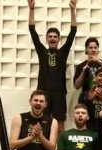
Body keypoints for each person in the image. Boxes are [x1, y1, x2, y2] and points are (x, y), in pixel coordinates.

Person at [27, 0, 78, 134]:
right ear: (46, 39)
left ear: (59, 39)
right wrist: (31, 10)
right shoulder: (42, 52)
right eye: (50, 36)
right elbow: (32, 30)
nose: (53, 38)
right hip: (43, 91)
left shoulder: (63, 52)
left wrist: (73, 10)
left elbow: (73, 31)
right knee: (42, 121)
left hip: (59, 92)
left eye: (55, 36)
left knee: (59, 123)